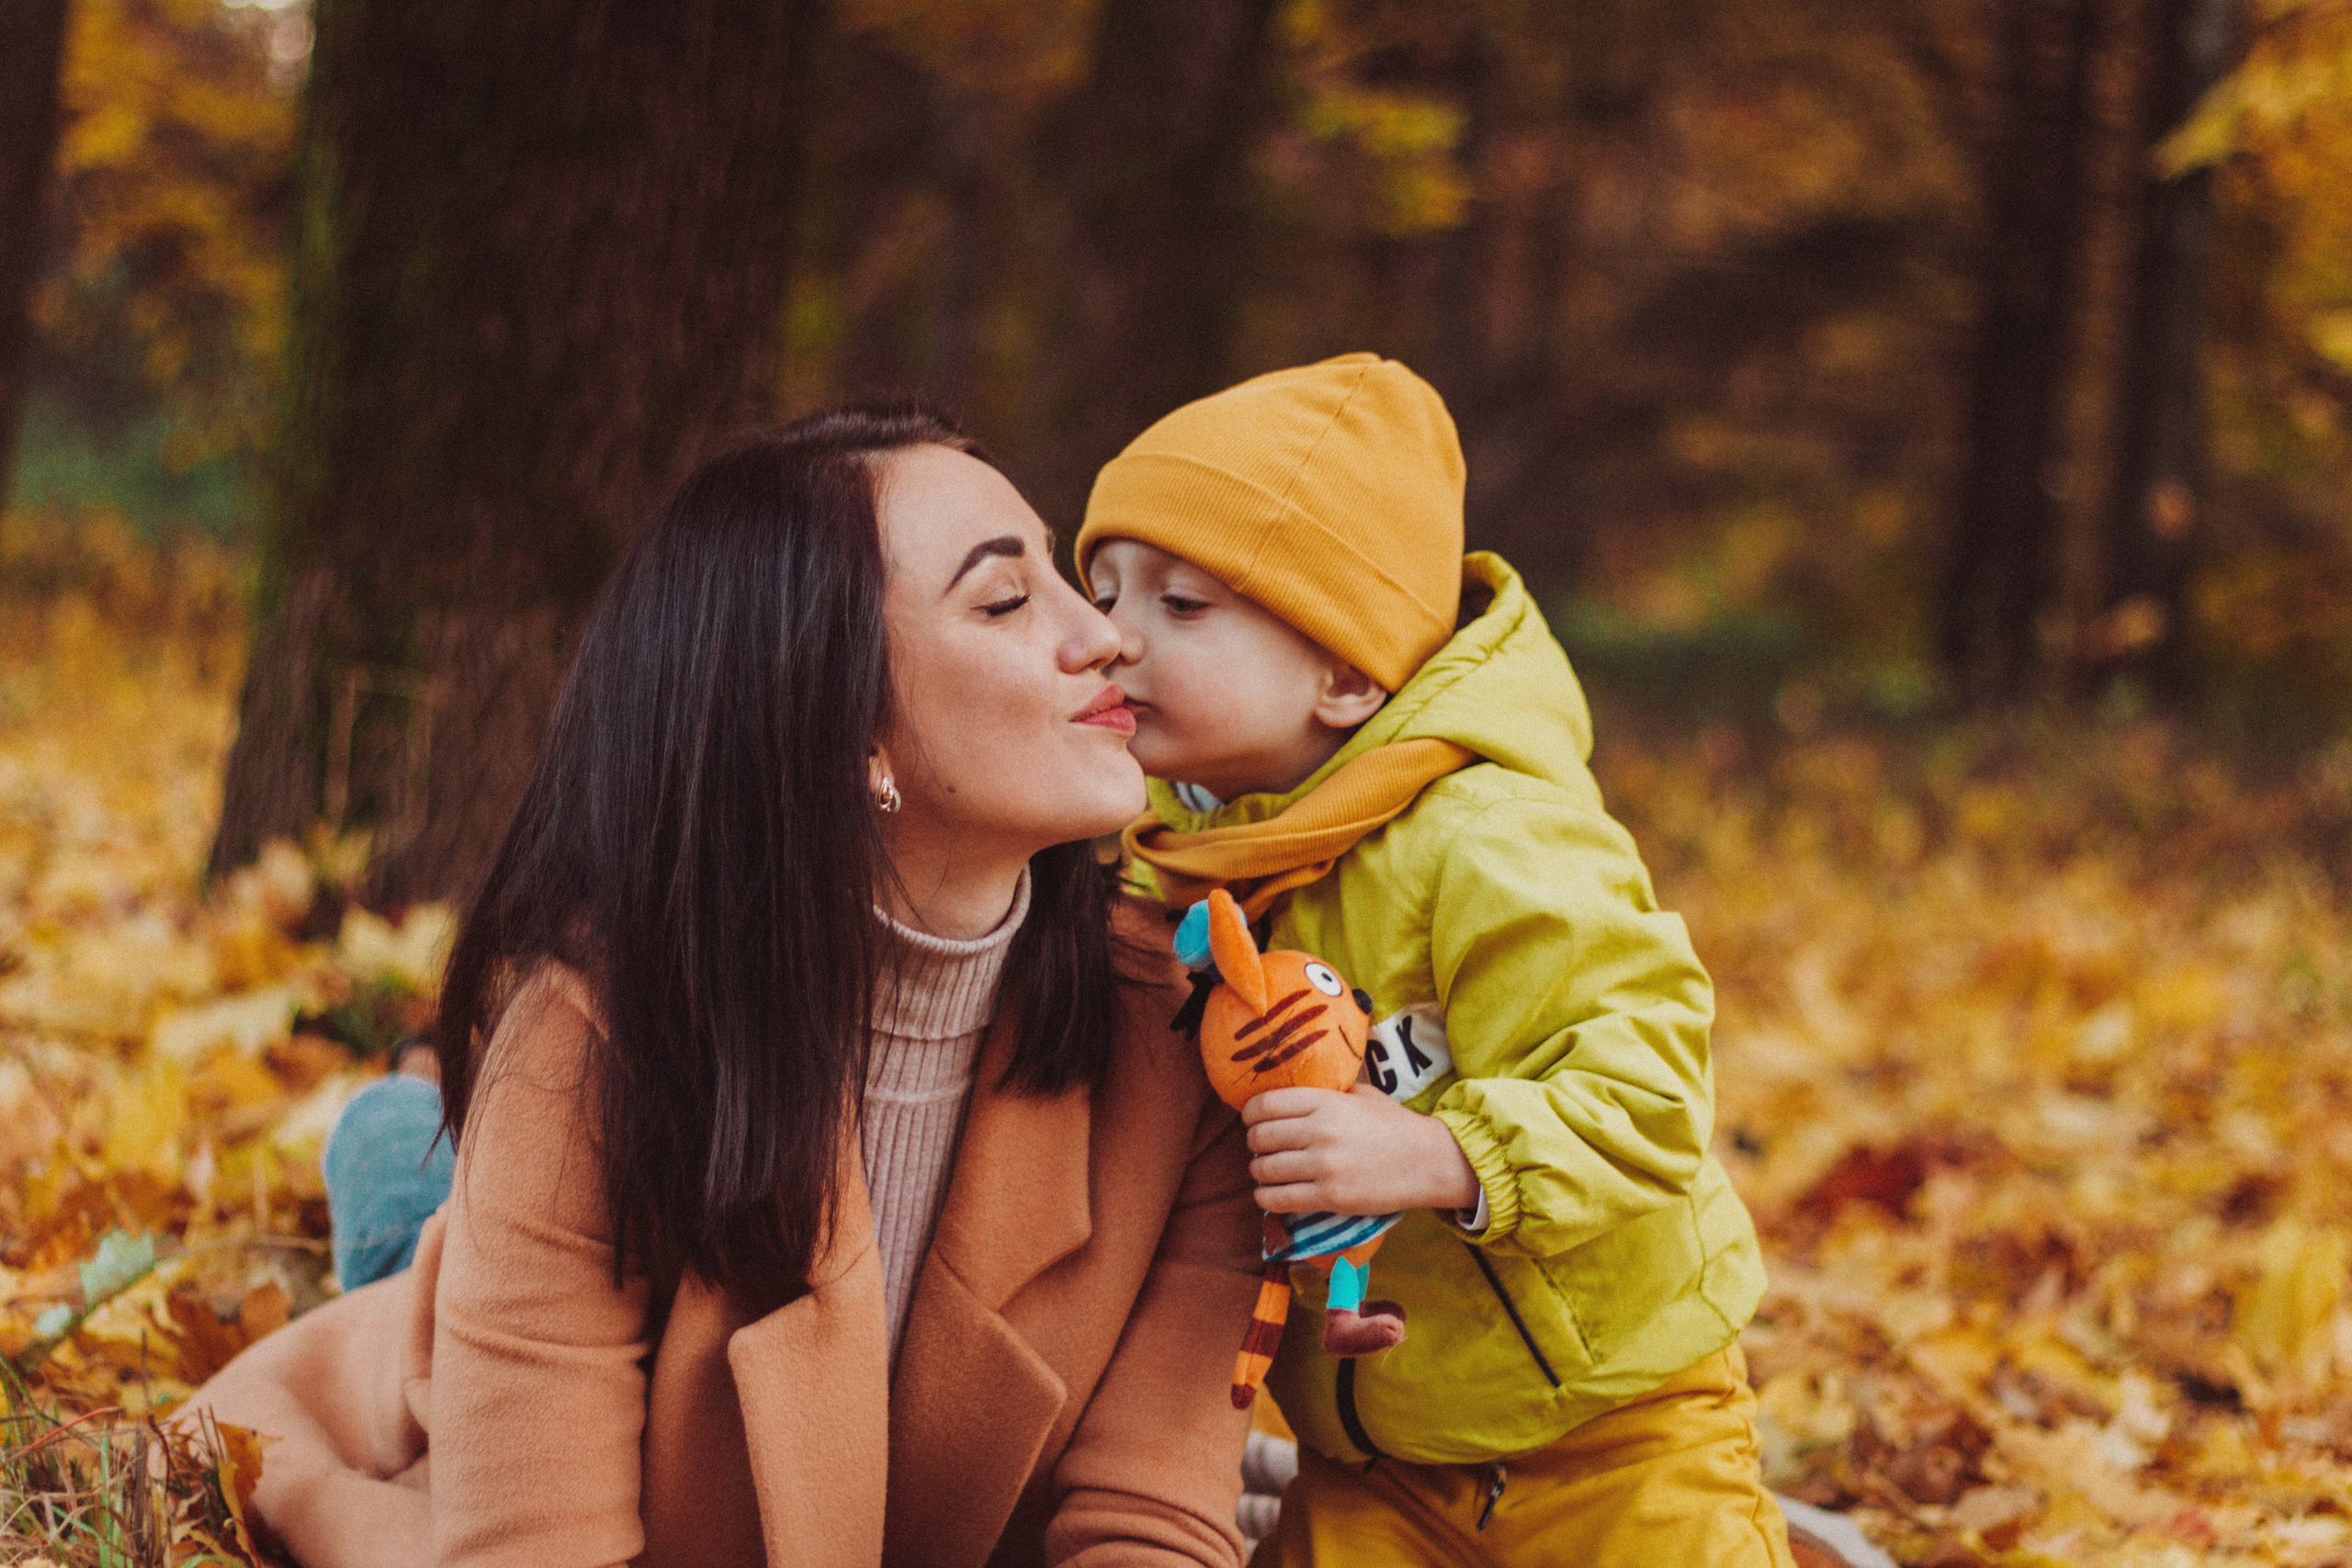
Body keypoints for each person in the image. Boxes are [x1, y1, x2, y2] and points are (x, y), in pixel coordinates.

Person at [182, 405, 1265, 1568]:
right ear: (843, 726)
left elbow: (1150, 1525)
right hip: (467, 1355)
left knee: (435, 1174)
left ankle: (411, 1121)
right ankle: (402, 1138)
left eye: (1064, 579)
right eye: (1004, 601)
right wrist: (364, 1522)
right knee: (414, 1239)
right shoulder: (597, 1039)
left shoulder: (1189, 1032)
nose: (1105, 639)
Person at [1077, 355, 1792, 1567]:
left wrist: (1440, 1148)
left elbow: (1651, 1082)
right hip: (1373, 1464)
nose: (1110, 638)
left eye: (1181, 604)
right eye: (1103, 589)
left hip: (1614, 1428)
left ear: (1349, 673)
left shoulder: (1489, 832)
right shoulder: (1180, 867)